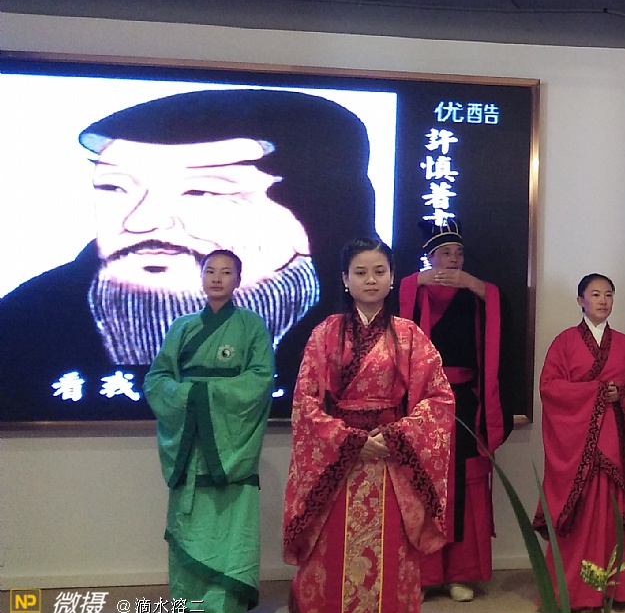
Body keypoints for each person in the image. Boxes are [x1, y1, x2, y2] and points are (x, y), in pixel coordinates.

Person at [0, 88, 375, 422]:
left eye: (201, 193)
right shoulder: (26, 324)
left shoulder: (380, 324)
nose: (140, 222)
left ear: (314, 214)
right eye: (114, 187)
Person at [282, 238, 455, 613]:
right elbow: (306, 402)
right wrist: (349, 441)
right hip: (337, 465)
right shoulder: (325, 333)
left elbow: (439, 398)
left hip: (391, 460)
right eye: (360, 272)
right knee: (329, 556)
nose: (371, 280)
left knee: (392, 557)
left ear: (393, 277)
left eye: (380, 271)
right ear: (345, 279)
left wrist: (395, 436)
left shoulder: (409, 335)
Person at [142, 249, 274, 613]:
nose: (217, 278)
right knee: (188, 525)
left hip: (230, 443)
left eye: (226, 272)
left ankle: (224, 610)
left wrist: (203, 394)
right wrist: (190, 397)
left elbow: (260, 380)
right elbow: (157, 379)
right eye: (210, 271)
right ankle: (188, 606)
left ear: (238, 280)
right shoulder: (181, 327)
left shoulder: (251, 326)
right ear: (201, 277)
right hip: (189, 443)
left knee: (229, 528)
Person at [534, 274, 625, 612]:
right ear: (580, 300)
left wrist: (623, 392)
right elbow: (549, 387)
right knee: (580, 520)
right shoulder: (564, 343)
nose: (603, 301)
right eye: (595, 294)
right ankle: (574, 593)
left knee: (613, 516)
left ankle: (613, 591)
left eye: (608, 294)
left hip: (616, 441)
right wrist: (594, 393)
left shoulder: (623, 345)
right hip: (578, 445)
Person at [398, 218, 511, 602]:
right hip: (424, 401)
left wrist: (479, 287)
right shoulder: (414, 293)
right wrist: (416, 282)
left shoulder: (474, 295)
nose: (453, 259)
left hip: (465, 402)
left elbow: (503, 318)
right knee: (424, 482)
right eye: (445, 252)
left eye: (458, 253)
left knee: (465, 482)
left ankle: (461, 573)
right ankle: (424, 573)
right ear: (430, 257)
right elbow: (391, 317)